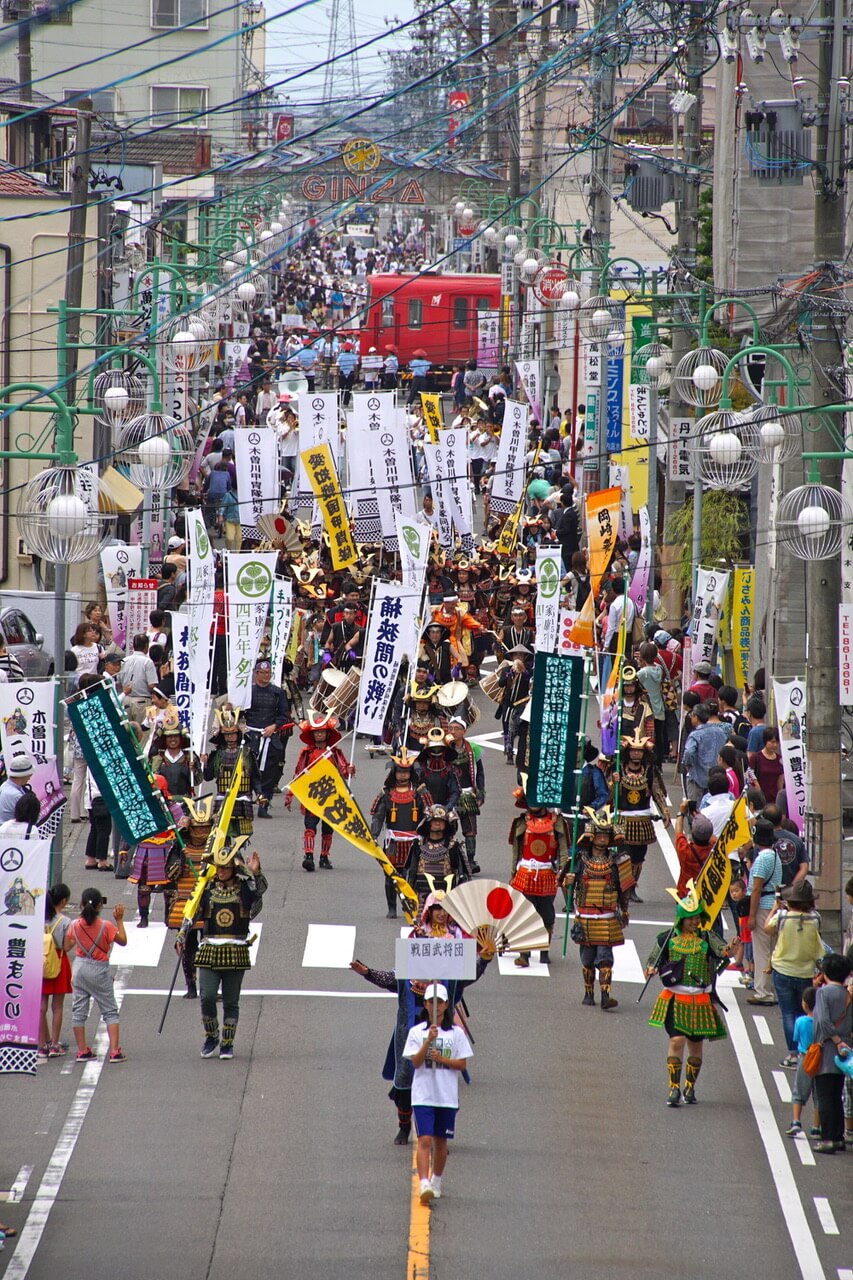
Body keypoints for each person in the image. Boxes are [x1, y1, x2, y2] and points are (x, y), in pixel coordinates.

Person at [182, 836, 266, 1060]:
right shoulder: (206, 890)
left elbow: (259, 893)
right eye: (218, 867)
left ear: (233, 868)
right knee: (207, 996)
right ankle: (211, 1036)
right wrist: (183, 934)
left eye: (225, 867)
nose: (220, 872)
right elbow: (192, 912)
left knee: (231, 1001)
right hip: (210, 949)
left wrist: (255, 872)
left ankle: (228, 1043)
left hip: (235, 950)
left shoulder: (244, 891)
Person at [645, 881, 729, 1106]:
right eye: (691, 918)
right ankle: (673, 1088)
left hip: (700, 999)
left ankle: (689, 1087)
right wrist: (651, 968)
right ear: (681, 919)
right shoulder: (667, 938)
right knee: (676, 1039)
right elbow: (653, 959)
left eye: (697, 917)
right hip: (675, 997)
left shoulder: (706, 937)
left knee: (695, 1044)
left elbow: (723, 951)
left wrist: (731, 949)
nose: (695, 922)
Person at [403, 982, 473, 1205]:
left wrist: (441, 1059)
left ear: (445, 1005)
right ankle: (424, 1182)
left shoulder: (457, 1034)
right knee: (424, 1139)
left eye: (439, 1002)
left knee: (441, 1143)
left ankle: (436, 1180)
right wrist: (428, 1042)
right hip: (423, 1095)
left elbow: (462, 1064)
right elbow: (415, 1061)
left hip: (446, 1096)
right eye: (431, 1002)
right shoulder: (417, 1032)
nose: (435, 1006)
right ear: (425, 1004)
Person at [560, 810, 633, 1010]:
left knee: (605, 958)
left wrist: (624, 911)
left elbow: (624, 890)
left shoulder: (617, 862)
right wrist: (569, 885)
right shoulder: (579, 861)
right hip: (585, 916)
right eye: (599, 835)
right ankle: (588, 992)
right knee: (587, 958)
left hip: (607, 917)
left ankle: (606, 994)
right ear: (592, 837)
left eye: (605, 835)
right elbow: (564, 885)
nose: (602, 839)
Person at [63, 887, 128, 1064]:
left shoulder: (75, 925)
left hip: (80, 968)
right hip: (99, 969)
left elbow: (67, 945)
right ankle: (115, 1051)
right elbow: (122, 941)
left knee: (78, 1010)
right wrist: (119, 920)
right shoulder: (106, 926)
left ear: (82, 905)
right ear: (100, 906)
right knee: (109, 1010)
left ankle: (82, 1050)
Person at [764, 881, 825, 1066]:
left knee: (788, 1013)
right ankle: (805, 1051)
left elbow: (767, 928)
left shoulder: (782, 916)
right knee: (803, 1012)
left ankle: (793, 1053)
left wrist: (775, 909)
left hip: (783, 969)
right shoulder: (816, 918)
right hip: (806, 971)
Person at [286, 711, 354, 870]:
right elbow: (298, 774)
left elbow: (343, 770)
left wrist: (349, 769)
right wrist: (290, 794)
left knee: (328, 829)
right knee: (310, 826)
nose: (319, 735)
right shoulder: (307, 753)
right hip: (312, 795)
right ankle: (308, 855)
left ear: (327, 734)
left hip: (331, 795)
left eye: (322, 732)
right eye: (317, 732)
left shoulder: (335, 753)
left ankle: (324, 857)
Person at [509, 788, 570, 966]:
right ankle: (524, 954)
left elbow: (563, 850)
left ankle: (544, 950)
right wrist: (513, 872)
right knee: (525, 914)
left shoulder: (557, 822)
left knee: (547, 914)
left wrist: (564, 871)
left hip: (547, 874)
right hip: (526, 873)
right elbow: (516, 850)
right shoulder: (522, 822)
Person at [370, 748, 431, 918]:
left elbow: (429, 814)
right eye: (400, 772)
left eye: (406, 772)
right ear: (394, 773)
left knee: (414, 874)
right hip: (394, 843)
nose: (403, 776)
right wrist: (373, 834)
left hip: (414, 841)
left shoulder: (420, 792)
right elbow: (378, 816)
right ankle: (391, 907)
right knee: (391, 876)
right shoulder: (387, 794)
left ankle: (411, 904)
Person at [810, 952, 853, 1153]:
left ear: (826, 972)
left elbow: (822, 1022)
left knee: (825, 1095)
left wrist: (835, 1040)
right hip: (845, 1050)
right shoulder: (848, 995)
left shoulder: (823, 993)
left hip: (828, 1048)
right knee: (837, 1094)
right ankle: (838, 1136)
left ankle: (828, 1139)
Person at [244, 658, 293, 818]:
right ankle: (245, 803)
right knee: (248, 771)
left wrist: (274, 727)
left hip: (270, 736)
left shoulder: (278, 692)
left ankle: (264, 804)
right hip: (251, 735)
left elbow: (284, 714)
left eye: (268, 673)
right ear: (256, 673)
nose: (266, 675)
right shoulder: (248, 692)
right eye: (263, 673)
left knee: (269, 772)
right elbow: (240, 713)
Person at [746, 817, 784, 1005]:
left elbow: (756, 888)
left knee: (761, 950)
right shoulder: (775, 855)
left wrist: (751, 916)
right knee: (773, 948)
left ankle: (763, 992)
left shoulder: (762, 859)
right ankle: (771, 989)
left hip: (763, 907)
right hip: (775, 906)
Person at [447, 716, 484, 875]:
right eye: (451, 729)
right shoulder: (444, 749)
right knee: (449, 828)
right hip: (450, 795)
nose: (453, 732)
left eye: (456, 729)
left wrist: (481, 792)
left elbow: (480, 772)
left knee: (470, 829)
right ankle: (450, 859)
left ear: (464, 731)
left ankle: (470, 859)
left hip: (468, 793)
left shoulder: (472, 750)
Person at [40, 882, 72, 1059]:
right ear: (64, 900)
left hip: (41, 962)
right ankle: (54, 1044)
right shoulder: (65, 921)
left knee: (41, 1006)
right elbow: (67, 947)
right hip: (59, 962)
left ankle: (41, 1043)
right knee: (57, 1006)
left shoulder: (40, 919)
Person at [786, 986, 821, 1138]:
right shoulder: (822, 1022)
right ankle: (816, 1127)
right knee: (819, 1095)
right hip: (820, 1058)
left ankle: (796, 1121)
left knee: (799, 1091)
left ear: (805, 1004)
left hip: (805, 1058)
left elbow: (796, 1038)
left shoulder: (800, 1021)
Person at [0, 754, 34, 824]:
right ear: (23, 775)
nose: (30, 777)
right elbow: (29, 820)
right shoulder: (16, 795)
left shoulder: (5, 786)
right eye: (29, 774)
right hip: (13, 833)